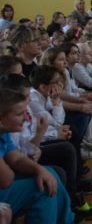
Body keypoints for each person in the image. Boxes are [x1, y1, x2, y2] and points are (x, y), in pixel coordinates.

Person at [0, 85, 75, 224]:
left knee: (49, 173)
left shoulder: (4, 133)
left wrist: (39, 169)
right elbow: (6, 180)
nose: (26, 117)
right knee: (41, 187)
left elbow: (16, 159)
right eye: (19, 114)